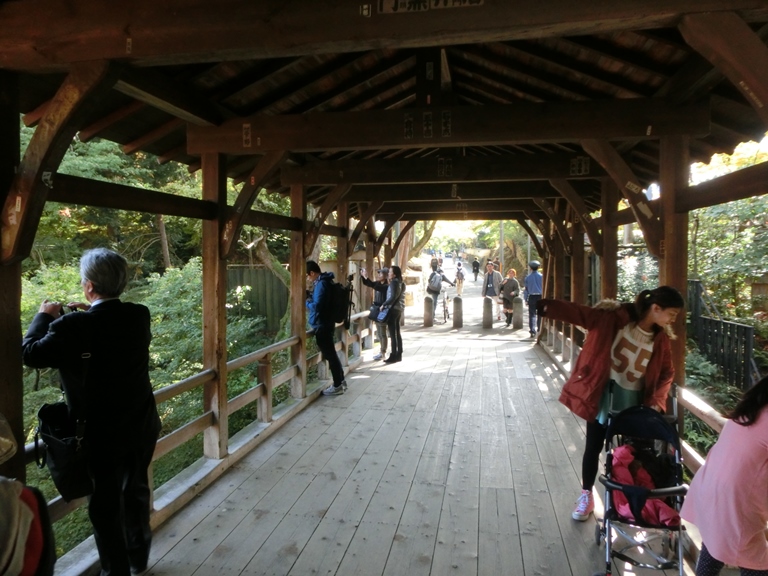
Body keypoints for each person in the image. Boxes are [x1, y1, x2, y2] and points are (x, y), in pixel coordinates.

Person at [21, 248, 161, 576]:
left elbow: (29, 353)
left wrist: (44, 315)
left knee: (105, 506)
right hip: (141, 424)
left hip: (101, 434)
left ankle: (116, 572)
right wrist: (83, 317)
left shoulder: (73, 327)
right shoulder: (138, 315)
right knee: (137, 491)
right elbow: (109, 333)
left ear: (88, 287)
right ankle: (139, 558)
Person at [537, 286, 684, 522]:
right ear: (656, 308)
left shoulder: (661, 339)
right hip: (605, 395)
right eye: (672, 314)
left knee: (631, 453)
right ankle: (587, 495)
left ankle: (629, 502)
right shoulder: (615, 319)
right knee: (593, 446)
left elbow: (667, 373)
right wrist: (547, 307)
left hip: (637, 403)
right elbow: (582, 314)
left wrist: (657, 401)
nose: (673, 320)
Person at [681, 375, 768, 575]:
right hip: (734, 504)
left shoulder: (753, 406)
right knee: (757, 565)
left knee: (713, 547)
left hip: (710, 491)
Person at [306, 260, 347, 395]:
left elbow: (318, 306)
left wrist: (307, 302)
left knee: (330, 355)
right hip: (326, 323)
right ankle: (340, 381)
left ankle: (337, 385)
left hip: (322, 324)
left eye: (308, 275)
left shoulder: (321, 284)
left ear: (312, 273)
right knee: (332, 354)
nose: (308, 278)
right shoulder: (325, 282)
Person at [361, 267, 389, 361]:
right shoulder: (377, 284)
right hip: (377, 310)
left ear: (385, 276)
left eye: (380, 274)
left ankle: (383, 352)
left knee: (382, 333)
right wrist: (364, 276)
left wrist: (367, 277)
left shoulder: (386, 286)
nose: (378, 275)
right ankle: (381, 352)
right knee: (380, 333)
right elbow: (369, 283)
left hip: (383, 311)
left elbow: (377, 287)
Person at [380, 266, 405, 363]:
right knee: (397, 332)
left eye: (390, 272)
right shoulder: (401, 282)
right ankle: (399, 354)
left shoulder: (394, 283)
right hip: (399, 309)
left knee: (392, 333)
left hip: (393, 309)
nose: (388, 273)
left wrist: (384, 304)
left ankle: (393, 355)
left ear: (394, 274)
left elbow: (393, 297)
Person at [523, 260, 544, 337]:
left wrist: (525, 299)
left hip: (532, 297)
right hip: (540, 296)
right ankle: (539, 329)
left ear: (530, 268)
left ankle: (532, 330)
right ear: (538, 267)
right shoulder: (542, 277)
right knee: (540, 314)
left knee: (532, 314)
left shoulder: (527, 278)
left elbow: (526, 290)